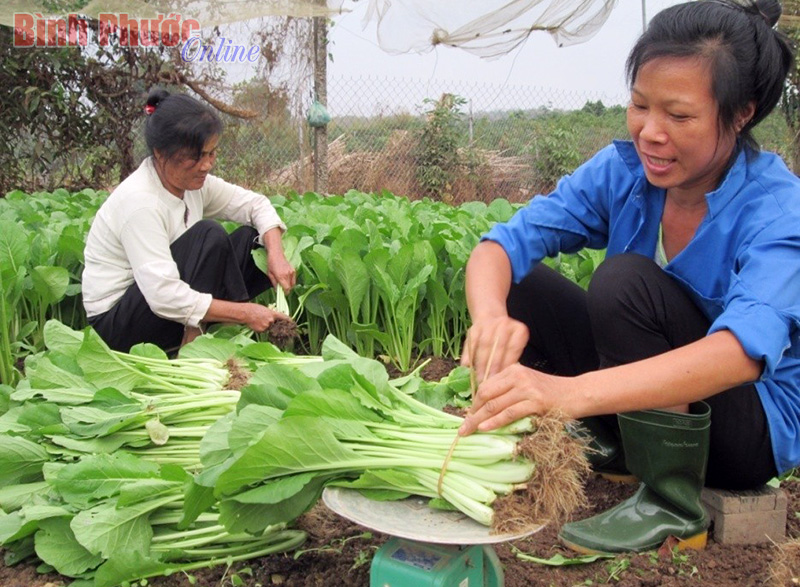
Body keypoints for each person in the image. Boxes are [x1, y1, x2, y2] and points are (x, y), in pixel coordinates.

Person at [458, 0, 799, 554]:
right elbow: (499, 246)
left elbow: (741, 354)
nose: (650, 133)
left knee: (624, 284)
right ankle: (617, 448)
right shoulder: (625, 173)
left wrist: (566, 393)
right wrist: (491, 318)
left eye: (679, 116)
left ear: (741, 114)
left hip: (744, 427)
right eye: (639, 105)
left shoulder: (779, 212)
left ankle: (673, 503)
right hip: (642, 398)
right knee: (521, 286)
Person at [82, 88, 296, 353]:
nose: (206, 165)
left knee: (251, 240)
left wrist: (276, 255)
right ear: (161, 153)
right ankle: (191, 342)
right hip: (120, 323)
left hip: (162, 305)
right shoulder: (140, 202)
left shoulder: (193, 183)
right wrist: (245, 313)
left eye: (211, 153)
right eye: (196, 157)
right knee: (208, 235)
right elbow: (162, 295)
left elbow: (255, 204)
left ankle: (205, 331)